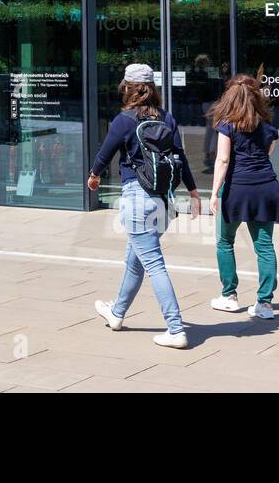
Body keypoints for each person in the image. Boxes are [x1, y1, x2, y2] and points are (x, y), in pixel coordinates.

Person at [88, 63, 201, 349]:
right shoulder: (167, 118)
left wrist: (94, 176)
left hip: (138, 199)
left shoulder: (124, 120)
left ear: (128, 87)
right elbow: (181, 157)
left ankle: (175, 329)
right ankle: (116, 314)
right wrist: (193, 190)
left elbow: (105, 153)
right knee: (134, 262)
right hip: (163, 201)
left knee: (154, 265)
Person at [206, 74, 279, 320]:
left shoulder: (227, 125)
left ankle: (229, 296)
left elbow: (222, 160)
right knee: (264, 246)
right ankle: (265, 303)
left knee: (225, 241)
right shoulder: (267, 126)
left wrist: (214, 193)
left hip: (237, 190)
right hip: (266, 188)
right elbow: (268, 152)